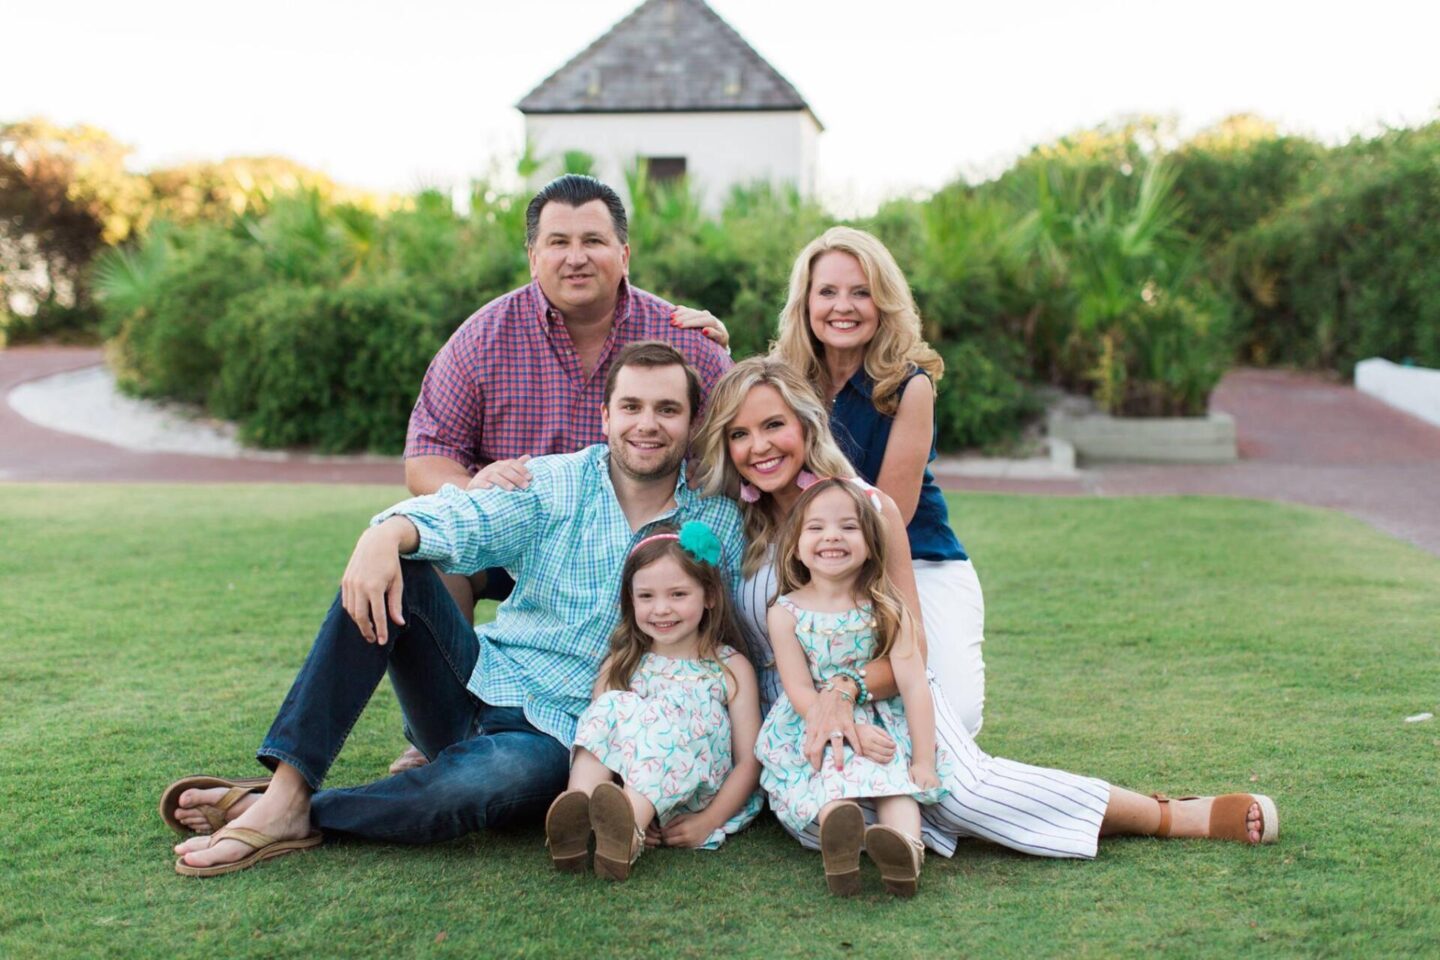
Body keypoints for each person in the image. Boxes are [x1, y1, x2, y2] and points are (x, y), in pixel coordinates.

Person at [164, 342, 745, 876]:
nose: (647, 424)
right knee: (403, 571)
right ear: (606, 416)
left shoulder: (715, 522)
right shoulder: (555, 482)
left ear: (693, 423)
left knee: (478, 786)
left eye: (667, 409)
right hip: (474, 680)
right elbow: (468, 521)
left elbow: (746, 625)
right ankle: (287, 790)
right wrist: (388, 531)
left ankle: (297, 811)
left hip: (563, 736)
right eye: (631, 406)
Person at [693, 357, 1279, 864]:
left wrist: (845, 690)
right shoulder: (731, 524)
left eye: (774, 425)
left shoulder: (869, 508)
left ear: (806, 424)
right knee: (827, 815)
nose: (759, 446)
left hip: (886, 690)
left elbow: (909, 643)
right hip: (796, 718)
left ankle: (1168, 815)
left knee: (962, 794)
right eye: (740, 434)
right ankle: (906, 842)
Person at [391, 172, 733, 773]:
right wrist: (472, 490)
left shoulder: (682, 337)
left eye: (594, 241)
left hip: (620, 550)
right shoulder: (482, 338)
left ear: (624, 253)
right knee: (435, 560)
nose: (576, 258)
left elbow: (745, 430)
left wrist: (728, 352)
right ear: (533, 255)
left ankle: (644, 730)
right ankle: (443, 726)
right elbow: (426, 452)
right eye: (558, 242)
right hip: (514, 528)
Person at [773, 226, 985, 736]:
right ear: (805, 302)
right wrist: (706, 333)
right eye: (827, 292)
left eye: (860, 291)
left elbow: (891, 512)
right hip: (815, 558)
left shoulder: (908, 385)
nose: (842, 306)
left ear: (883, 302)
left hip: (910, 556)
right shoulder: (784, 378)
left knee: (954, 714)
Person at [757, 479, 946, 897]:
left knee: (895, 781)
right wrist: (845, 730)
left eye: (848, 527)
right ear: (796, 544)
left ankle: (906, 852)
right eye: (816, 527)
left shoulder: (888, 608)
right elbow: (799, 689)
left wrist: (924, 760)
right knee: (833, 770)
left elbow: (914, 686)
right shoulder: (785, 612)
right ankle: (839, 848)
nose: (831, 537)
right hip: (816, 720)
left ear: (871, 542)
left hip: (882, 718)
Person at [545, 522, 763, 881]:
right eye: (646, 597)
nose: (661, 609)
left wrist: (709, 821)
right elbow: (601, 737)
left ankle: (627, 829)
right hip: (629, 785)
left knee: (664, 716)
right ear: (631, 600)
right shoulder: (623, 661)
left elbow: (749, 762)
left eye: (678, 594)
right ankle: (581, 810)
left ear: (709, 595)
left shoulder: (730, 666)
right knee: (610, 706)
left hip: (699, 791)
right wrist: (613, 793)